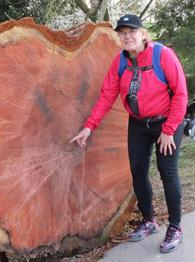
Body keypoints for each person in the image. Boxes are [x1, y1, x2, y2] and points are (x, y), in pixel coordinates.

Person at [70, 14, 188, 253]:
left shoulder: (162, 55)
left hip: (167, 122)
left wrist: (168, 130)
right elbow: (106, 96)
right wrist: (88, 126)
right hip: (138, 124)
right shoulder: (120, 62)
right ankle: (149, 220)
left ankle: (175, 227)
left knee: (168, 172)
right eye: (122, 33)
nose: (127, 37)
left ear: (143, 33)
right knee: (137, 171)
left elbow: (181, 94)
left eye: (131, 31)